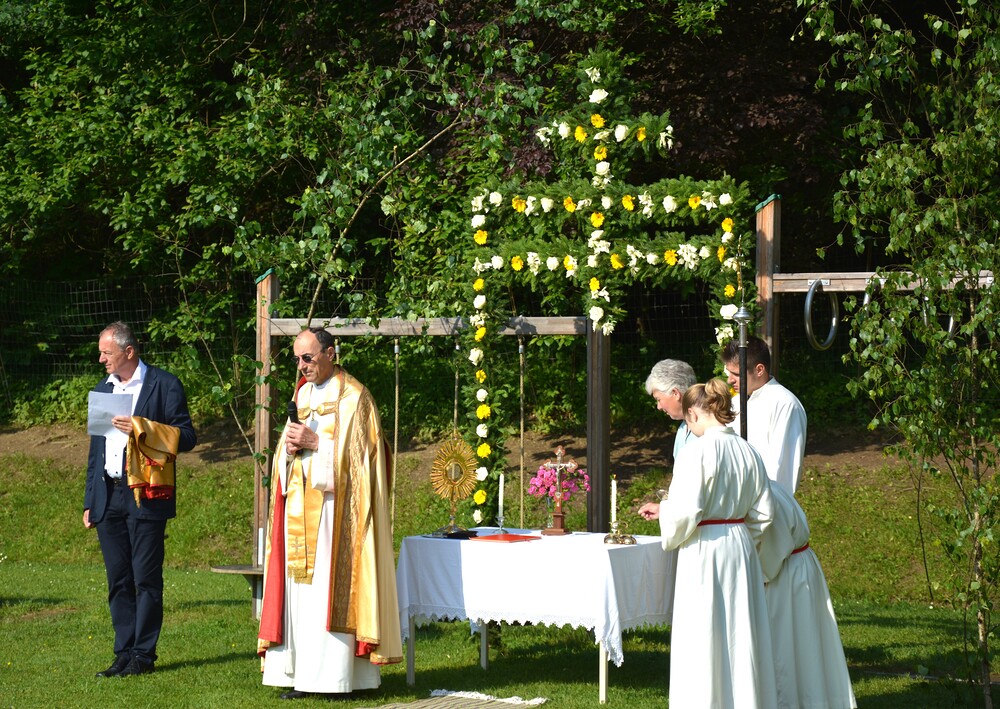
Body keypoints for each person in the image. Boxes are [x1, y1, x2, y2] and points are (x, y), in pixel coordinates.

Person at [257, 327, 402, 700]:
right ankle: (303, 675)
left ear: (331, 353)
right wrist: (289, 451)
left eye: (308, 358)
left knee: (327, 593)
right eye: (296, 359)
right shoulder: (302, 394)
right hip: (299, 510)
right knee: (300, 596)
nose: (301, 366)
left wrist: (316, 444)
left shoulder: (354, 397)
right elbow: (285, 453)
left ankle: (337, 679)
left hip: (337, 516)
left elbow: (365, 463)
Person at [638, 379, 778, 709]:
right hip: (740, 547)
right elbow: (765, 512)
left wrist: (667, 514)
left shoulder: (696, 452)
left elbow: (686, 512)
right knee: (741, 630)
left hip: (705, 547)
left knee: (704, 630)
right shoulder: (748, 450)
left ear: (692, 414)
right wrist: (743, 535)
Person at [83, 321, 197, 677]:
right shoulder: (103, 388)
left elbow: (187, 436)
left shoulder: (164, 384)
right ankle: (123, 652)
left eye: (107, 353)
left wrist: (142, 428)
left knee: (145, 578)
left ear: (128, 351)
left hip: (146, 493)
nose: (101, 359)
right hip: (108, 495)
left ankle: (143, 656)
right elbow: (96, 449)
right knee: (118, 579)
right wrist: (90, 500)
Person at [756, 482, 857, 709]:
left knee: (786, 646)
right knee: (806, 646)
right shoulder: (771, 487)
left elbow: (771, 552)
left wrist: (754, 575)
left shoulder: (763, 497)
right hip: (798, 567)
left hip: (784, 574)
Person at [722, 336, 807, 494]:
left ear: (759, 370)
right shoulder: (735, 402)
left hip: (764, 501)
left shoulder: (785, 404)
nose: (729, 380)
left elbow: (782, 469)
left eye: (736, 374)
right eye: (729, 373)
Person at [644, 358, 698, 459]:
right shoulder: (683, 428)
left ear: (675, 393)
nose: (658, 407)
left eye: (658, 399)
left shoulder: (708, 429)